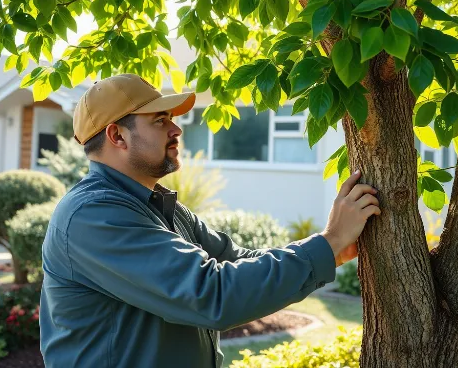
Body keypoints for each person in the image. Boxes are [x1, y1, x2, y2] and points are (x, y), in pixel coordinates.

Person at [39, 73, 381, 368]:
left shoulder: (154, 204)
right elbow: (212, 293)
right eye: (159, 120)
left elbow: (236, 259)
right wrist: (330, 241)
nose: (176, 129)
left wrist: (329, 250)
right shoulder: (94, 215)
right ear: (117, 136)